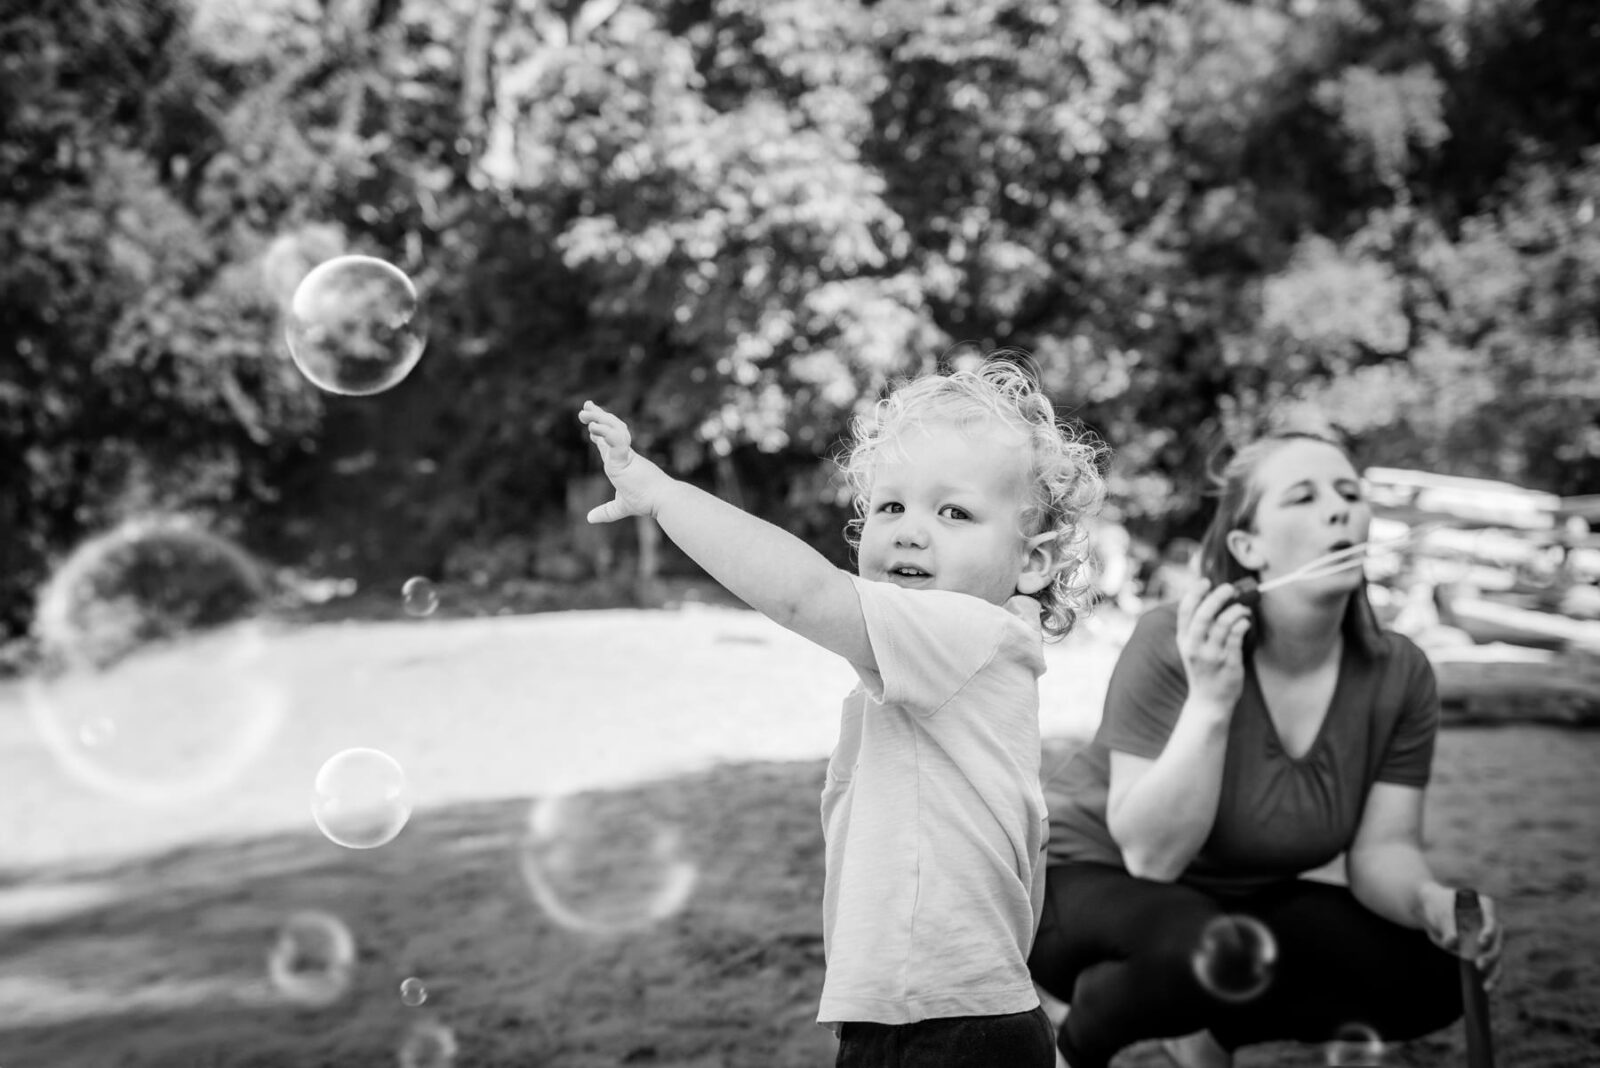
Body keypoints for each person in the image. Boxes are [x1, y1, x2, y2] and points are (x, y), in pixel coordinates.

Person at [579, 360, 1106, 1067]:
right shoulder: (975, 657)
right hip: (944, 1014)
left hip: (941, 1026)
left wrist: (665, 495)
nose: (911, 531)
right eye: (890, 507)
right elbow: (1028, 860)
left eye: (954, 512)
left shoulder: (967, 633)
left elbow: (805, 595)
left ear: (1033, 562)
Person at [1027, 429, 1506, 1068]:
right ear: (1247, 547)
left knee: (1433, 973)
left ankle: (1202, 1022)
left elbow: (1383, 850)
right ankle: (1077, 1044)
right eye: (1303, 497)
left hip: (1233, 908)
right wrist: (1212, 701)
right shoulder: (1172, 637)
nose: (1339, 509)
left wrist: (1430, 901)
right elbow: (1151, 857)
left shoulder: (1401, 673)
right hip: (1087, 881)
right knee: (1196, 943)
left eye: (1349, 493)